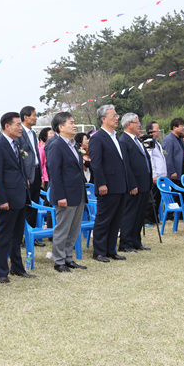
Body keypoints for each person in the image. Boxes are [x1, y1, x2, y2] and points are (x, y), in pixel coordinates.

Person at [0, 112, 35, 283]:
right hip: (7, 199)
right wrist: (2, 200)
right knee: (3, 236)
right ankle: (1, 272)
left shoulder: (16, 144)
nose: (20, 128)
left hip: (20, 197)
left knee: (17, 236)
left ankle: (17, 268)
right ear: (7, 126)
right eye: (17, 124)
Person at [46, 112, 88, 273]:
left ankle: (68, 257)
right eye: (71, 122)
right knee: (63, 228)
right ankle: (59, 260)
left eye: (74, 122)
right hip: (65, 194)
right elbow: (54, 173)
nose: (74, 125)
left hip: (78, 193)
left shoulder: (74, 145)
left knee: (74, 228)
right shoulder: (56, 144)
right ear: (61, 126)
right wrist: (60, 196)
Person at [89, 105, 128, 263]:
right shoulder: (98, 138)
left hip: (120, 185)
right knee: (104, 219)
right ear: (103, 119)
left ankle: (111, 249)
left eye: (117, 115)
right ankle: (99, 251)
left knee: (116, 220)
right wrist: (101, 184)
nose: (117, 118)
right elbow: (96, 164)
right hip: (107, 186)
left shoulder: (115, 137)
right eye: (113, 116)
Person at [118, 113, 152, 253]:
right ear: (129, 124)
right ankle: (126, 243)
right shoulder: (124, 140)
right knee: (130, 214)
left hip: (144, 182)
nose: (139, 125)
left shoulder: (136, 139)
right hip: (134, 184)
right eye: (137, 122)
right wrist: (132, 184)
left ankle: (136, 241)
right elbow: (126, 165)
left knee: (140, 214)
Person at [16, 106, 43, 244]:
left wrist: (42, 175)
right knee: (25, 206)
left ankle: (31, 236)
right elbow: (19, 158)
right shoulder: (19, 134)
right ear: (26, 117)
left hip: (36, 172)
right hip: (26, 174)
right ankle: (20, 236)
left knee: (34, 205)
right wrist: (23, 176)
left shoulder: (33, 133)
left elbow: (35, 154)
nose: (36, 117)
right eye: (34, 115)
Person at [144, 121, 167, 224]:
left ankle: (154, 218)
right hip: (155, 176)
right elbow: (150, 160)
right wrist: (154, 175)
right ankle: (148, 219)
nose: (158, 131)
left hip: (161, 175)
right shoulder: (148, 142)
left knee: (157, 198)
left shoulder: (156, 142)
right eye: (156, 129)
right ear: (150, 131)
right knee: (152, 198)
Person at [162, 118, 184, 186]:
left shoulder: (180, 139)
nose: (183, 128)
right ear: (174, 127)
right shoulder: (169, 140)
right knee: (176, 194)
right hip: (176, 174)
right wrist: (172, 172)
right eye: (181, 126)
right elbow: (167, 157)